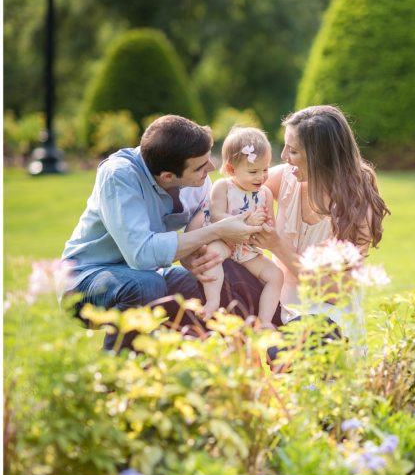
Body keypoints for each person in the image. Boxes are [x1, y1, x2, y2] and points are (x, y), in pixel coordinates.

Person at [61, 114, 273, 347]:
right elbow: (141, 255)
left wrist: (197, 261)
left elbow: (195, 240)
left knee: (215, 283)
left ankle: (196, 369)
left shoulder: (197, 181)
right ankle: (116, 377)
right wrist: (218, 230)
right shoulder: (119, 176)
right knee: (146, 285)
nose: (211, 168)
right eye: (201, 167)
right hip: (86, 281)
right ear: (168, 177)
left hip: (151, 274)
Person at [252, 105, 389, 342]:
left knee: (297, 353)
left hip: (327, 317)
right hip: (277, 302)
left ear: (320, 157)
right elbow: (236, 188)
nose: (284, 156)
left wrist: (277, 247)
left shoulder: (356, 208)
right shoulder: (286, 178)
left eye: (293, 151)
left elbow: (336, 293)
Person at [190, 126, 283, 328]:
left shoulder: (265, 193)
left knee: (276, 275)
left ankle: (265, 320)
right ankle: (212, 301)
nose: (261, 177)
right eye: (253, 171)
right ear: (232, 169)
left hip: (247, 248)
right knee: (212, 256)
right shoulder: (223, 187)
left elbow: (271, 225)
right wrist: (246, 221)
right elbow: (216, 216)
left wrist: (265, 225)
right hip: (223, 240)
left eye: (265, 169)